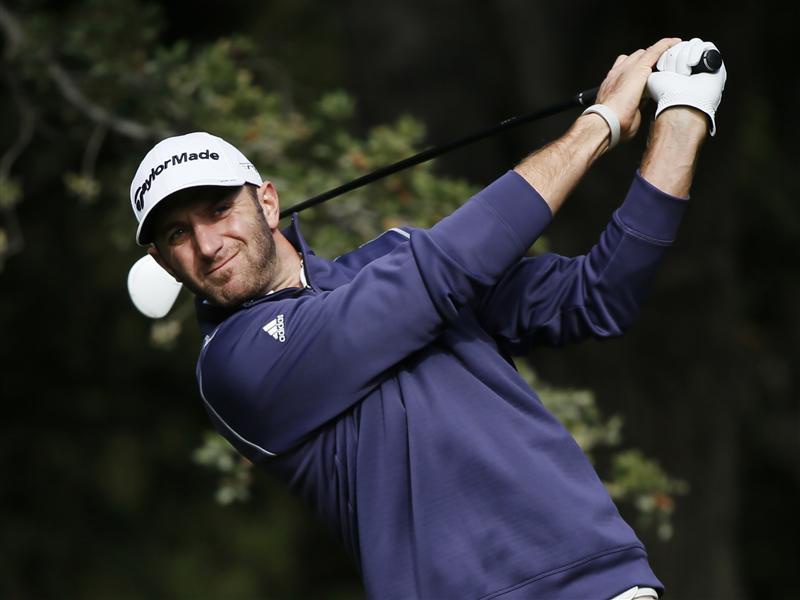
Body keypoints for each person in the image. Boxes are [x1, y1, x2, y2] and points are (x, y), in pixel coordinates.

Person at [129, 37, 725, 599]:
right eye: (180, 234)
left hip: (601, 581)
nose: (208, 244)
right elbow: (437, 276)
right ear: (161, 259)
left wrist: (682, 118)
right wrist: (597, 127)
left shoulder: (389, 258)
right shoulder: (233, 364)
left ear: (267, 201)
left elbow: (598, 295)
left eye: (218, 209)